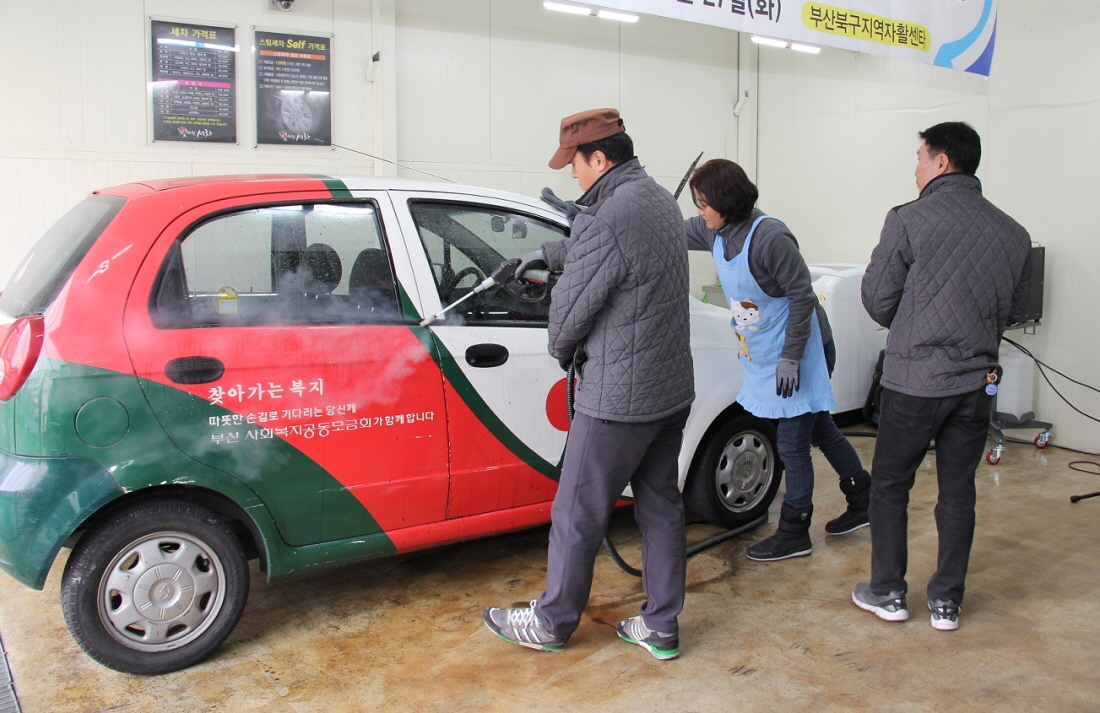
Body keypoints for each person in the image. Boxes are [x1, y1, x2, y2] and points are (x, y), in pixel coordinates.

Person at [482, 108, 695, 660]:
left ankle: (552, 622)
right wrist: (545, 255)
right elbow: (615, 251)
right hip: (668, 390)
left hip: (619, 397)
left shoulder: (607, 217)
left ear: (599, 158)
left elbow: (565, 324)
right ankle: (661, 624)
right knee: (660, 507)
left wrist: (558, 335)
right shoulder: (655, 200)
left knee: (577, 511)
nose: (573, 175)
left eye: (574, 164)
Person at [853, 122, 1031, 631]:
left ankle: (887, 592)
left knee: (890, 485)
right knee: (959, 489)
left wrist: (914, 324)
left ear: (942, 162)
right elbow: (1015, 309)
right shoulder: (1012, 231)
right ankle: (947, 602)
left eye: (919, 158)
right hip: (978, 383)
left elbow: (876, 299)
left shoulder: (909, 220)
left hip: (915, 381)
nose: (915, 169)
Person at [685, 159, 872, 562]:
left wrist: (791, 359)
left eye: (703, 203)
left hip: (801, 349)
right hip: (763, 349)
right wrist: (595, 216)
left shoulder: (769, 237)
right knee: (820, 427)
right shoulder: (711, 229)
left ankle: (794, 531)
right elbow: (665, 229)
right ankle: (863, 498)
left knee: (792, 443)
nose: (698, 211)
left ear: (725, 201)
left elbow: (803, 297)